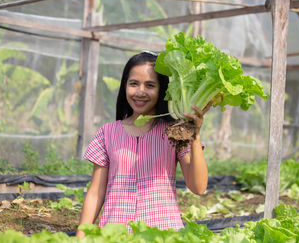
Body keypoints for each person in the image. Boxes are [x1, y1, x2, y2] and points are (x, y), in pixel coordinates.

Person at [76, 51, 211, 237]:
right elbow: (96, 192)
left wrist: (194, 134)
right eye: (133, 84)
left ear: (162, 90)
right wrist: (81, 236)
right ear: (125, 86)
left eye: (150, 85)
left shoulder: (176, 132)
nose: (140, 92)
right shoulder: (107, 133)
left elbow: (198, 186)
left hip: (163, 235)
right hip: (115, 235)